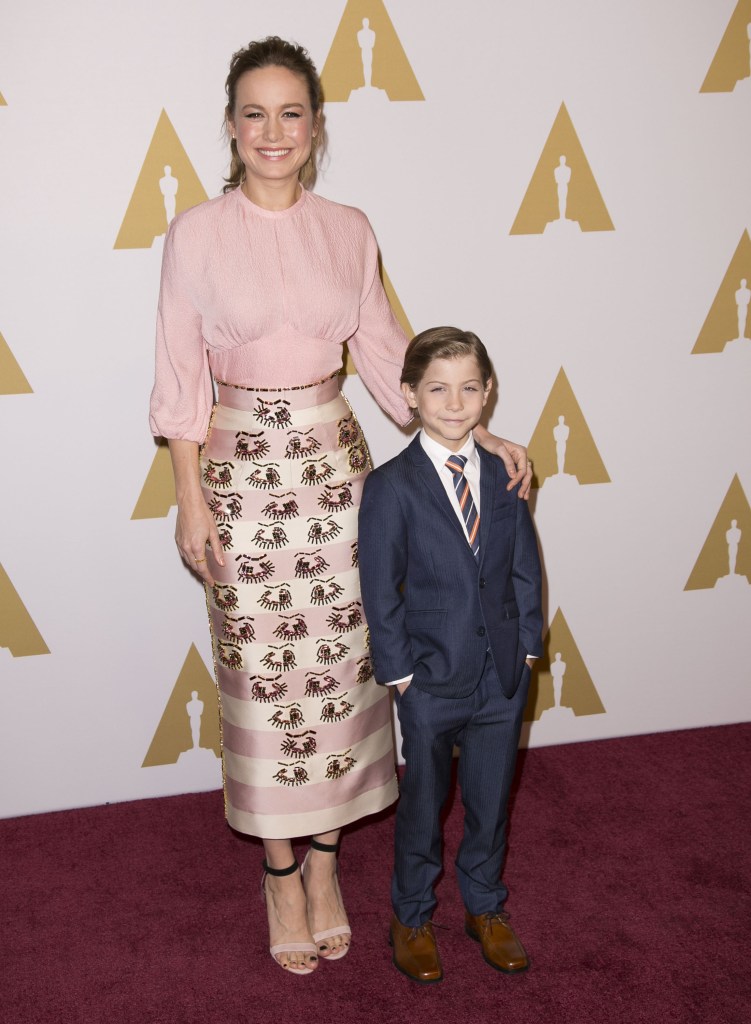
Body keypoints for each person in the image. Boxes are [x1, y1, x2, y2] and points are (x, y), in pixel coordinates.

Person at [149, 38, 531, 977]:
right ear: (231, 128)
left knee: (345, 680)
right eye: (253, 113)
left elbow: (385, 352)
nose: (272, 131)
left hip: (337, 481)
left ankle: (326, 869)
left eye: (291, 113)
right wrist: (188, 499)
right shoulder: (194, 233)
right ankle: (280, 875)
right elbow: (179, 379)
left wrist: (469, 437)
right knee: (264, 686)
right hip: (239, 483)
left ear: (315, 128)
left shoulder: (350, 228)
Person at [359, 327, 543, 984]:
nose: (455, 401)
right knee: (424, 805)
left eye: (469, 387)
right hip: (430, 683)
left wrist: (525, 652)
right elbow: (379, 591)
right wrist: (403, 677)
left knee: (491, 803)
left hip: (500, 676)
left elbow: (522, 568)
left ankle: (485, 908)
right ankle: (409, 916)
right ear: (409, 395)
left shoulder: (504, 472)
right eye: (437, 388)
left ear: (487, 393)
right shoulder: (390, 487)